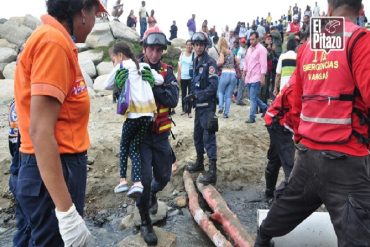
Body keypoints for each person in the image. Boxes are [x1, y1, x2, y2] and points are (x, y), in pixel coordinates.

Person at [255, 0, 370, 246]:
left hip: (307, 156)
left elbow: (297, 103)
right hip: (346, 161)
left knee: (280, 214)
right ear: (361, 11)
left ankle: (262, 238)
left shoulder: (308, 47)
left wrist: (302, 140)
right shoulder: (360, 40)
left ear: (328, 10)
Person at [13, 1, 107, 246]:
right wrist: (66, 213)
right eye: (96, 14)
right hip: (53, 170)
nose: (95, 21)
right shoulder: (53, 43)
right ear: (83, 12)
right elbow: (41, 131)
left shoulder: (56, 40)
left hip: (45, 169)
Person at [136, 31, 179, 245]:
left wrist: (153, 85)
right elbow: (120, 97)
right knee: (143, 180)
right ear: (144, 49)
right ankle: (145, 221)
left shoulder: (167, 71)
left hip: (161, 135)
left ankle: (153, 192)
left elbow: (173, 99)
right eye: (151, 49)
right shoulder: (132, 68)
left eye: (158, 50)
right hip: (140, 136)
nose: (154, 54)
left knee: (163, 176)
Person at [104, 42, 162, 197]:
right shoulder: (143, 66)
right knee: (134, 146)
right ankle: (137, 183)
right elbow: (160, 80)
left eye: (113, 59)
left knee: (124, 145)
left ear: (120, 56)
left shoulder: (122, 66)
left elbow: (106, 84)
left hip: (133, 114)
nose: (114, 62)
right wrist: (149, 80)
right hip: (148, 115)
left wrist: (117, 82)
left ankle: (123, 181)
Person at [185, 32, 219, 185]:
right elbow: (195, 83)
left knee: (208, 138)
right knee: (197, 137)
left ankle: (212, 171)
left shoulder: (210, 63)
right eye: (196, 44)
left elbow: (213, 87)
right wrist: (190, 97)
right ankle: (199, 162)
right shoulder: (195, 61)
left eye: (201, 45)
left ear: (205, 46)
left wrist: (196, 96)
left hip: (208, 107)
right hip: (199, 108)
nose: (198, 47)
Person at [263, 72, 297, 199]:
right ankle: (283, 199)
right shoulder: (296, 86)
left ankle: (269, 192)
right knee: (289, 163)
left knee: (276, 157)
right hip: (279, 124)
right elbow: (295, 113)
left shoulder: (295, 78)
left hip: (274, 120)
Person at [8, 99, 31, 246]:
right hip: (28, 171)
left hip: (16, 170)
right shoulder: (32, 101)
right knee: (35, 229)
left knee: (23, 228)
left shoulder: (15, 102)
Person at [243, 31, 268, 123]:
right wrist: (244, 72)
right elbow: (246, 61)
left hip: (257, 76)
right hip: (249, 76)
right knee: (252, 97)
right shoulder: (249, 49)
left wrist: (263, 76)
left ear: (257, 39)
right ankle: (266, 108)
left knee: (253, 97)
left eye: (253, 39)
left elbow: (263, 64)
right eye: (250, 39)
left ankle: (252, 117)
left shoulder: (262, 49)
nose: (251, 41)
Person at [217, 37, 239, 118]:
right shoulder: (231, 51)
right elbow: (238, 61)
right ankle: (225, 114)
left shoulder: (222, 51)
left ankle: (220, 106)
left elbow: (222, 62)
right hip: (233, 74)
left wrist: (217, 64)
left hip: (225, 73)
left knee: (220, 91)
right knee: (229, 95)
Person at [177, 39, 194, 118]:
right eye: (188, 45)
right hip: (183, 77)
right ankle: (184, 109)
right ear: (186, 45)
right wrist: (179, 75)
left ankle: (189, 111)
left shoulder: (194, 55)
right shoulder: (182, 54)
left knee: (190, 95)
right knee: (183, 94)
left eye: (191, 45)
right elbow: (179, 65)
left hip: (191, 77)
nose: (189, 46)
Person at [236, 37, 248, 106]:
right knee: (241, 85)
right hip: (241, 69)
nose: (243, 43)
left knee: (242, 85)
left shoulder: (244, 49)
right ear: (240, 43)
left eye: (244, 42)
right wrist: (240, 70)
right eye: (242, 42)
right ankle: (239, 100)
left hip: (244, 69)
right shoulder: (240, 51)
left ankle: (240, 99)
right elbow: (238, 61)